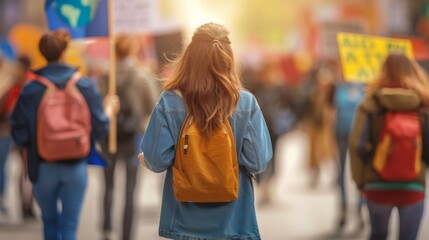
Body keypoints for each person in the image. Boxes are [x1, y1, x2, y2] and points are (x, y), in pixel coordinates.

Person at [139, 23, 272, 239]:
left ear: (190, 57)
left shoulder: (170, 101)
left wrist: (146, 158)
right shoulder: (245, 103)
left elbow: (157, 161)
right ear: (229, 58)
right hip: (234, 223)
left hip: (183, 222)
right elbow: (258, 162)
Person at [10, 30, 116, 240]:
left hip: (42, 166)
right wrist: (109, 110)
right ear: (64, 52)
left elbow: (19, 133)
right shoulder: (84, 85)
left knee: (49, 223)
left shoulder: (30, 89)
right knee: (69, 227)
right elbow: (100, 126)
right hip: (75, 166)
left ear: (42, 52)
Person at [349, 53, 429, 240]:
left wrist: (360, 182)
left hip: (376, 184)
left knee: (378, 235)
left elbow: (357, 146)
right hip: (413, 185)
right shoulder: (423, 105)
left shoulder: (370, 104)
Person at [97, 33, 159, 240]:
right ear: (132, 49)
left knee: (107, 186)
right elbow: (153, 104)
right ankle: (126, 234)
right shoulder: (142, 75)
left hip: (109, 136)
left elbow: (97, 104)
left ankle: (106, 228)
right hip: (134, 138)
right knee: (130, 190)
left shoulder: (105, 74)